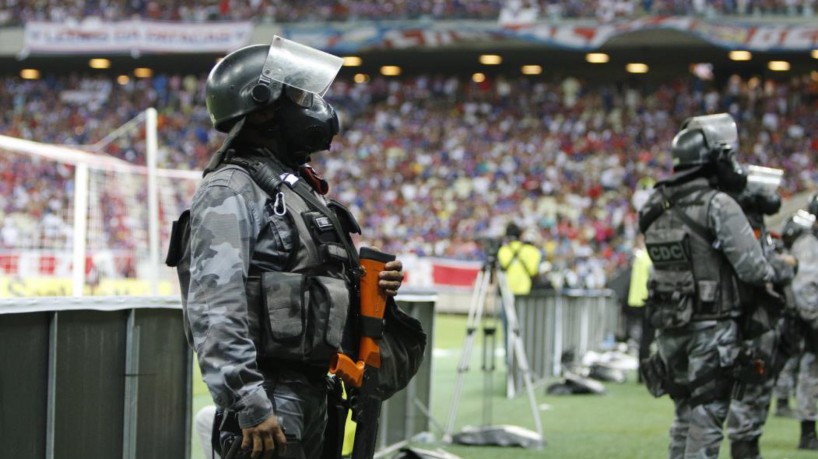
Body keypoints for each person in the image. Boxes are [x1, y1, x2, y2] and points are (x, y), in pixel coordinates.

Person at [178, 37, 407, 459]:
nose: (315, 106)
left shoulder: (296, 188)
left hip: (313, 392)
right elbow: (215, 305)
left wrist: (366, 286)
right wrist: (247, 401)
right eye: (300, 94)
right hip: (269, 402)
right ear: (263, 106)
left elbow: (303, 281)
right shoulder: (231, 189)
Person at [638, 113, 795, 459]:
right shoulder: (718, 205)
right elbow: (754, 269)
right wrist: (782, 268)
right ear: (716, 159)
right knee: (706, 421)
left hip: (669, 327)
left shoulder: (653, 205)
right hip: (712, 328)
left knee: (683, 417)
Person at [786, 210, 818, 450]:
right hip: (813, 323)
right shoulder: (808, 244)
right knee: (811, 374)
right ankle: (807, 433)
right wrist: (814, 320)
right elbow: (804, 288)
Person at [497, 222, 543, 296]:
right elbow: (533, 271)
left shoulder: (502, 251)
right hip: (526, 290)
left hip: (508, 291)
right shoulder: (532, 251)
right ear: (520, 235)